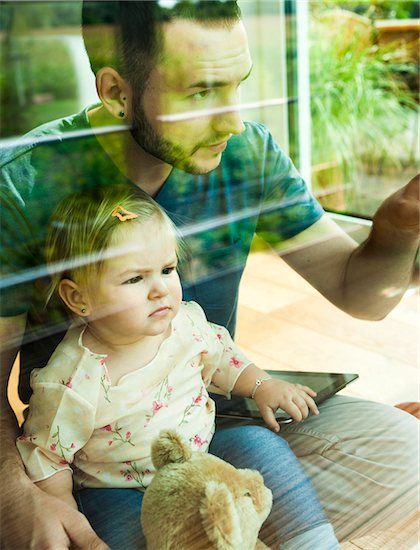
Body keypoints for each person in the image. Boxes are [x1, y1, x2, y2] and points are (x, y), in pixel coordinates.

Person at [0, 1, 418, 549]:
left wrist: (397, 229)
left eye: (236, 85)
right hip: (98, 462)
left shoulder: (248, 153)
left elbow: (360, 294)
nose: (232, 121)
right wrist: (19, 499)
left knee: (405, 451)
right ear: (115, 91)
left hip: (223, 417)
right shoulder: (22, 188)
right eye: (200, 92)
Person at [16, 184, 339, 549]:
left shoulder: (186, 325)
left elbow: (223, 358)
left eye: (167, 269)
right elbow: (46, 454)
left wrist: (262, 385)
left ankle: (311, 541)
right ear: (79, 298)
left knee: (258, 444)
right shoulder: (72, 379)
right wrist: (62, 508)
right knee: (119, 533)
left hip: (202, 455)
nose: (160, 290)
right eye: (135, 278)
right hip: (119, 488)